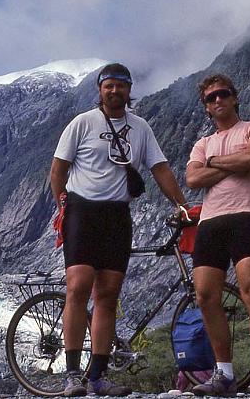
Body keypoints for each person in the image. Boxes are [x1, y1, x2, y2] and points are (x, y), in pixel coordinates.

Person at [51, 63, 187, 397]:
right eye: (108, 86)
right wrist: (63, 207)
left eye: (120, 86)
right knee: (79, 286)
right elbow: (58, 170)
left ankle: (97, 377)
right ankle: (72, 375)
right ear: (100, 90)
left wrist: (180, 204)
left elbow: (160, 168)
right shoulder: (82, 123)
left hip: (117, 217)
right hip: (82, 213)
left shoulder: (141, 128)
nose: (114, 92)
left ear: (129, 90)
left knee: (108, 295)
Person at [185, 74, 250, 397]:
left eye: (222, 94)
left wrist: (214, 164)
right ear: (206, 108)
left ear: (234, 97)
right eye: (210, 99)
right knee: (206, 296)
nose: (217, 101)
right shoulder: (203, 144)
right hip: (210, 222)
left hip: (246, 216)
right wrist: (233, 163)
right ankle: (223, 374)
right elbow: (193, 179)